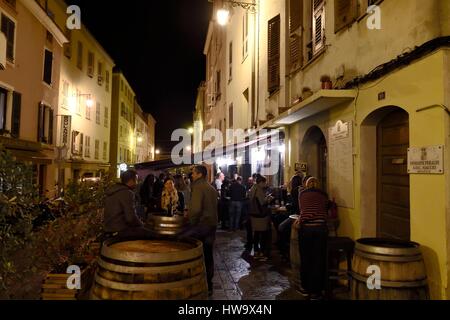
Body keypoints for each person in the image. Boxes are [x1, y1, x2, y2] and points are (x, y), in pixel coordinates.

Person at [178, 165, 218, 296]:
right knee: (208, 254)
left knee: (180, 242)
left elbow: (195, 210)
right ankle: (208, 285)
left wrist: (190, 222)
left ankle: (190, 282)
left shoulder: (198, 187)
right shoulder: (211, 188)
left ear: (200, 174)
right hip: (211, 226)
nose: (192, 175)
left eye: (194, 173)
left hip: (201, 226)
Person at [294, 177, 330, 300]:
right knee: (319, 259)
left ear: (307, 185)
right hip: (321, 228)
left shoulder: (302, 194)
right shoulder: (324, 194)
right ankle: (317, 291)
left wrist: (301, 219)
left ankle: (305, 288)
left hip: (307, 228)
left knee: (306, 258)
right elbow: (325, 209)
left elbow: (302, 210)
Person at [104, 169, 152, 239]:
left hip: (108, 228)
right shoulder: (127, 193)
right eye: (136, 180)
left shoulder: (112, 191)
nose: (137, 182)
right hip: (120, 230)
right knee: (148, 234)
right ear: (132, 181)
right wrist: (141, 224)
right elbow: (130, 218)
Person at [249, 175, 273, 261]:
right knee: (263, 234)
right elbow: (262, 202)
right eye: (265, 182)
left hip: (253, 214)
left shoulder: (253, 188)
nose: (265, 184)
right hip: (260, 215)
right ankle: (262, 253)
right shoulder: (258, 189)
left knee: (256, 233)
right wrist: (269, 199)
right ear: (261, 182)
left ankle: (256, 252)